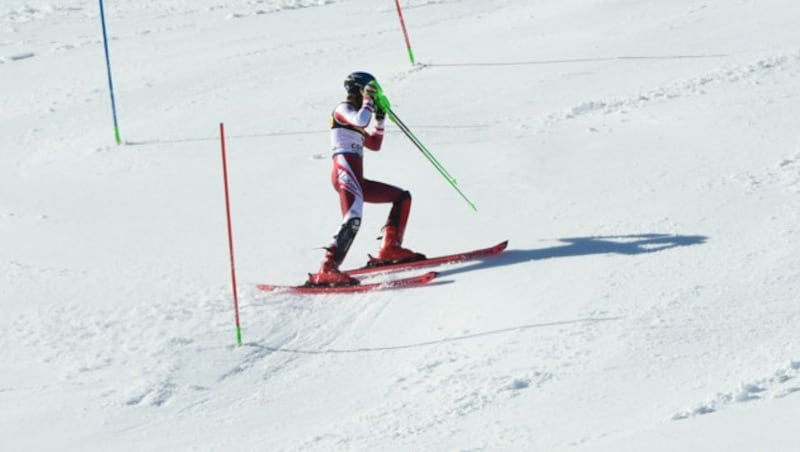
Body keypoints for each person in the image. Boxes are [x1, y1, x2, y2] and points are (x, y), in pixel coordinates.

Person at [306, 71, 425, 286]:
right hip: (344, 171)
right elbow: (361, 119)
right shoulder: (342, 110)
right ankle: (327, 267)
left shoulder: (357, 120)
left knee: (402, 197)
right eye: (368, 91)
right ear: (358, 90)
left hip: (357, 177)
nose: (370, 96)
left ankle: (390, 248)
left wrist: (380, 118)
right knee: (353, 218)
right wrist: (370, 102)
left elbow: (375, 145)